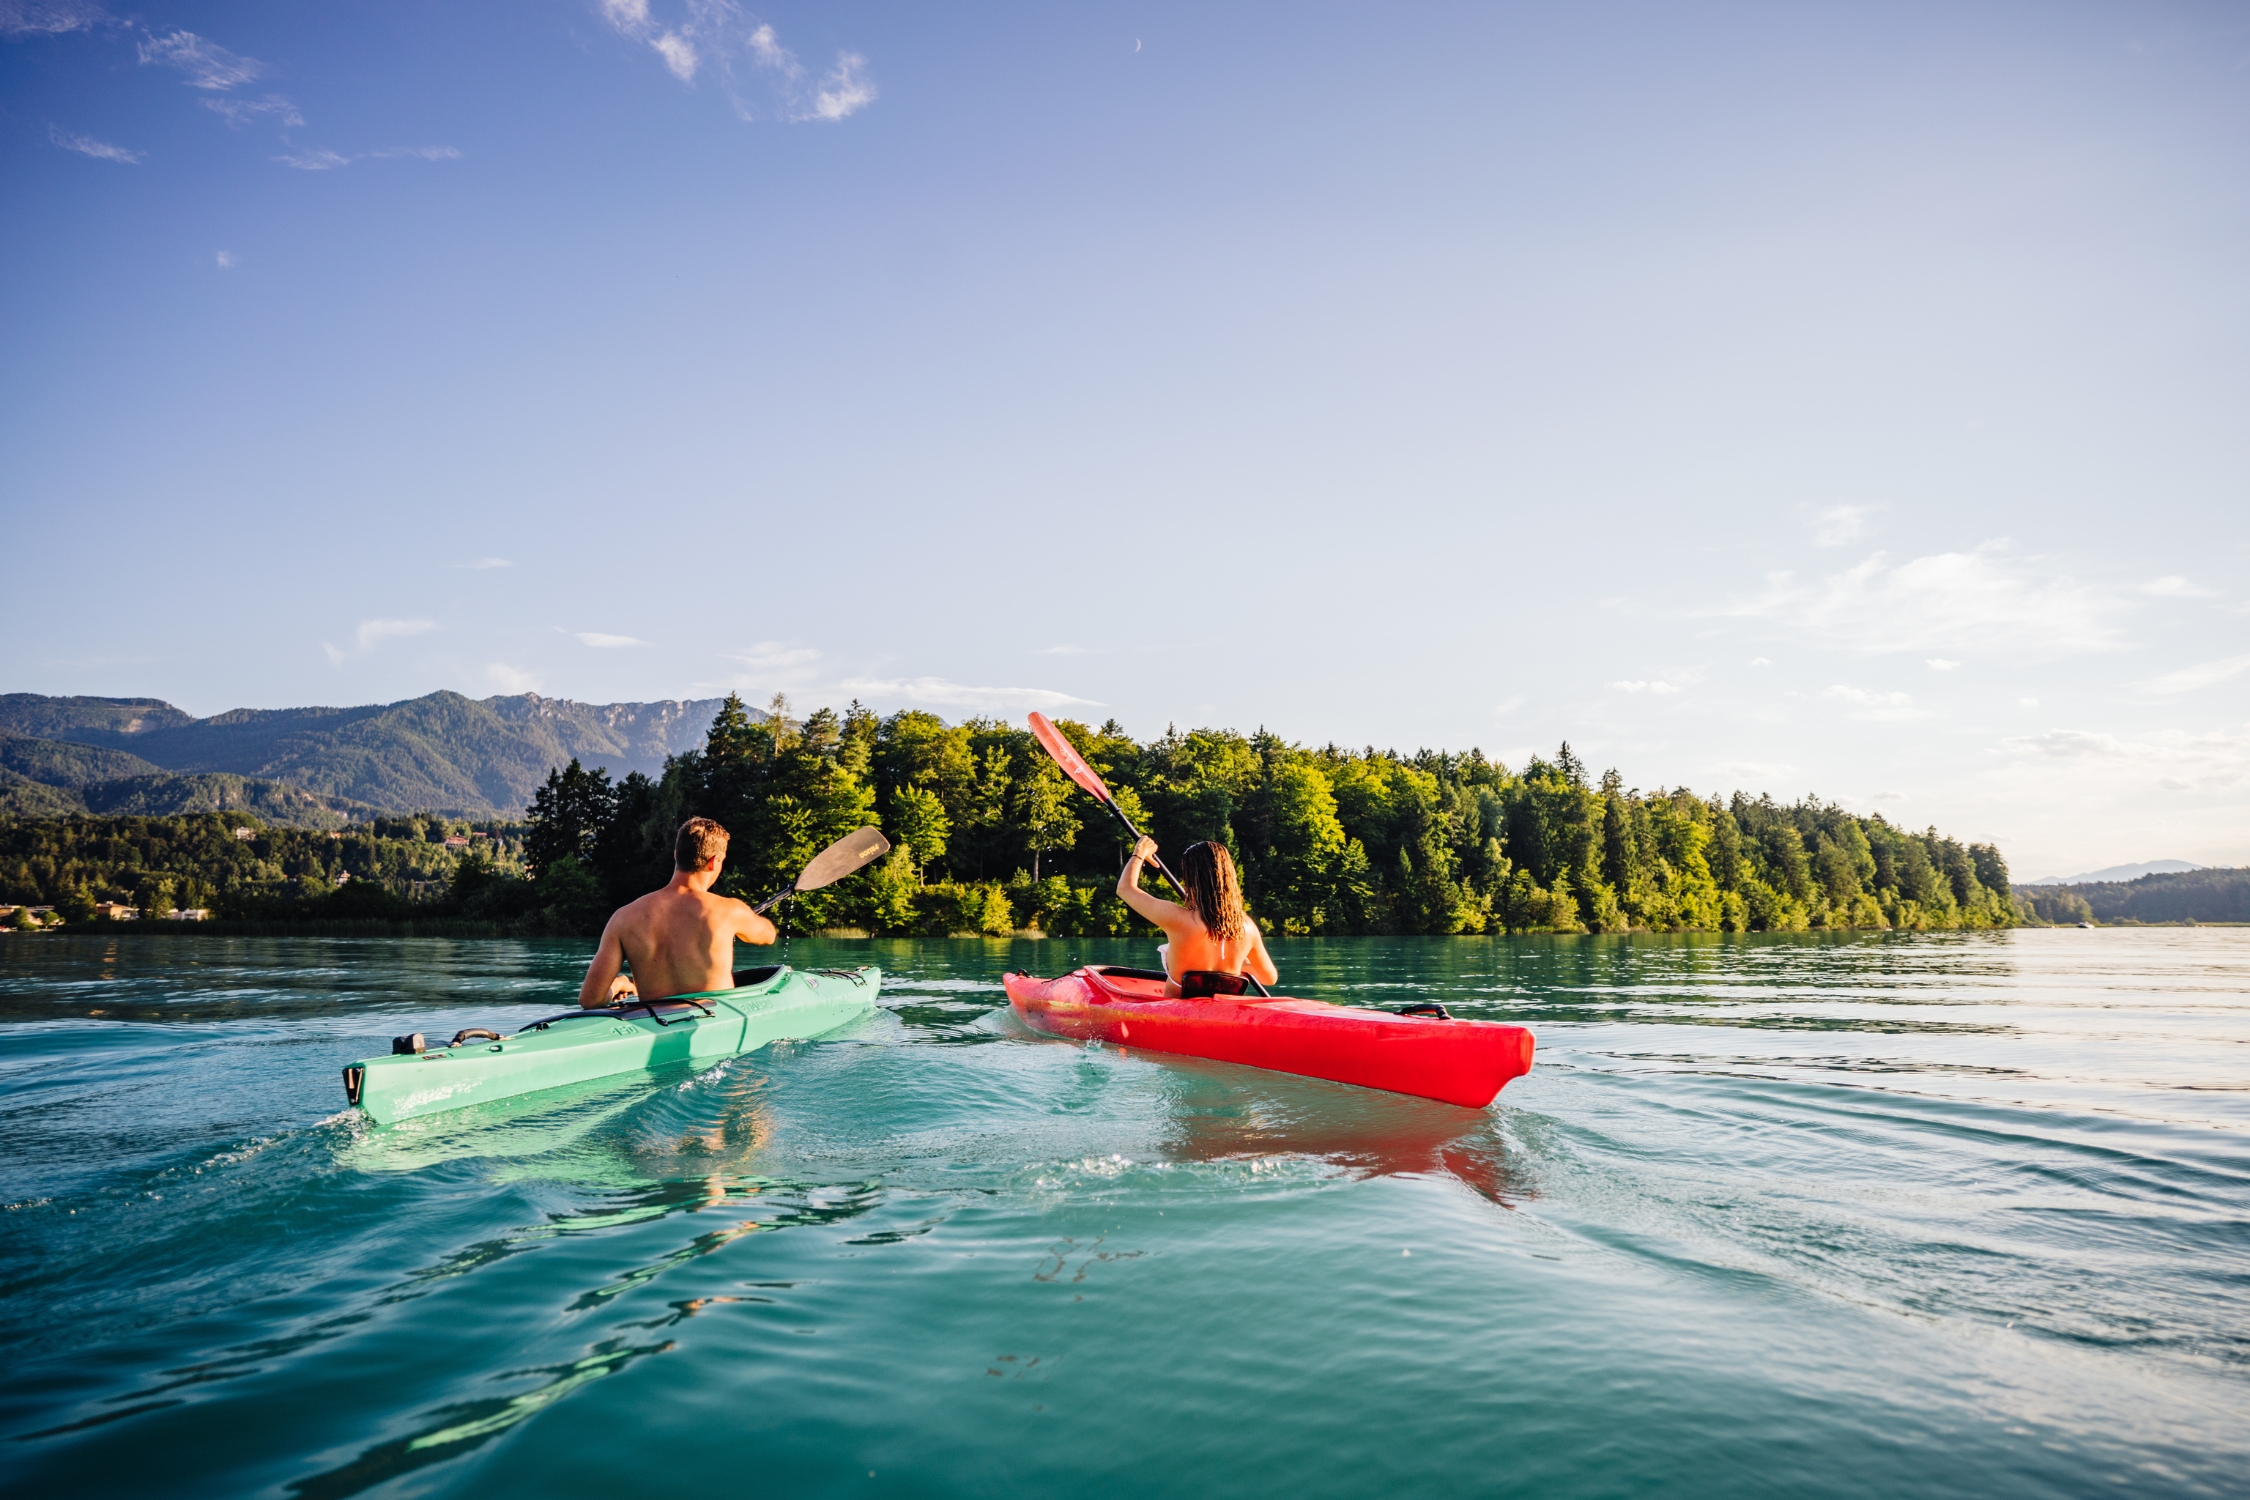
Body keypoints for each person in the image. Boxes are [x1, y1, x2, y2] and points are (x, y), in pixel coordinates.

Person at [576, 816, 777, 1008]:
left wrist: (619, 985)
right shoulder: (729, 910)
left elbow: (590, 1000)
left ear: (676, 854)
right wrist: (746, 916)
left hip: (654, 1021)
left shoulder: (623, 917)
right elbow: (768, 935)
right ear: (714, 861)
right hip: (712, 1019)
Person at [1116, 835, 1279, 997]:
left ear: (1191, 878)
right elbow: (1269, 978)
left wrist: (1139, 854)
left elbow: (1125, 889)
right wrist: (1244, 965)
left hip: (1178, 1016)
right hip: (1221, 1015)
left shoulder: (1177, 919)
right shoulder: (1247, 927)